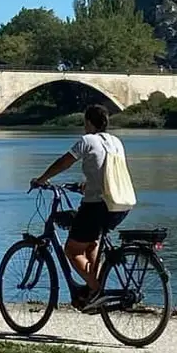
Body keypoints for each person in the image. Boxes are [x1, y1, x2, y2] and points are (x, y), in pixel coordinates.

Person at [30, 104, 132, 311]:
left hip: (97, 205)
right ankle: (93, 290)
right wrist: (86, 185)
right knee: (91, 244)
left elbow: (64, 162)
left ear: (88, 122)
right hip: (121, 203)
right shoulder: (116, 142)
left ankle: (97, 289)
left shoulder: (87, 141)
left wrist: (42, 179)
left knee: (72, 249)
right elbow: (108, 171)